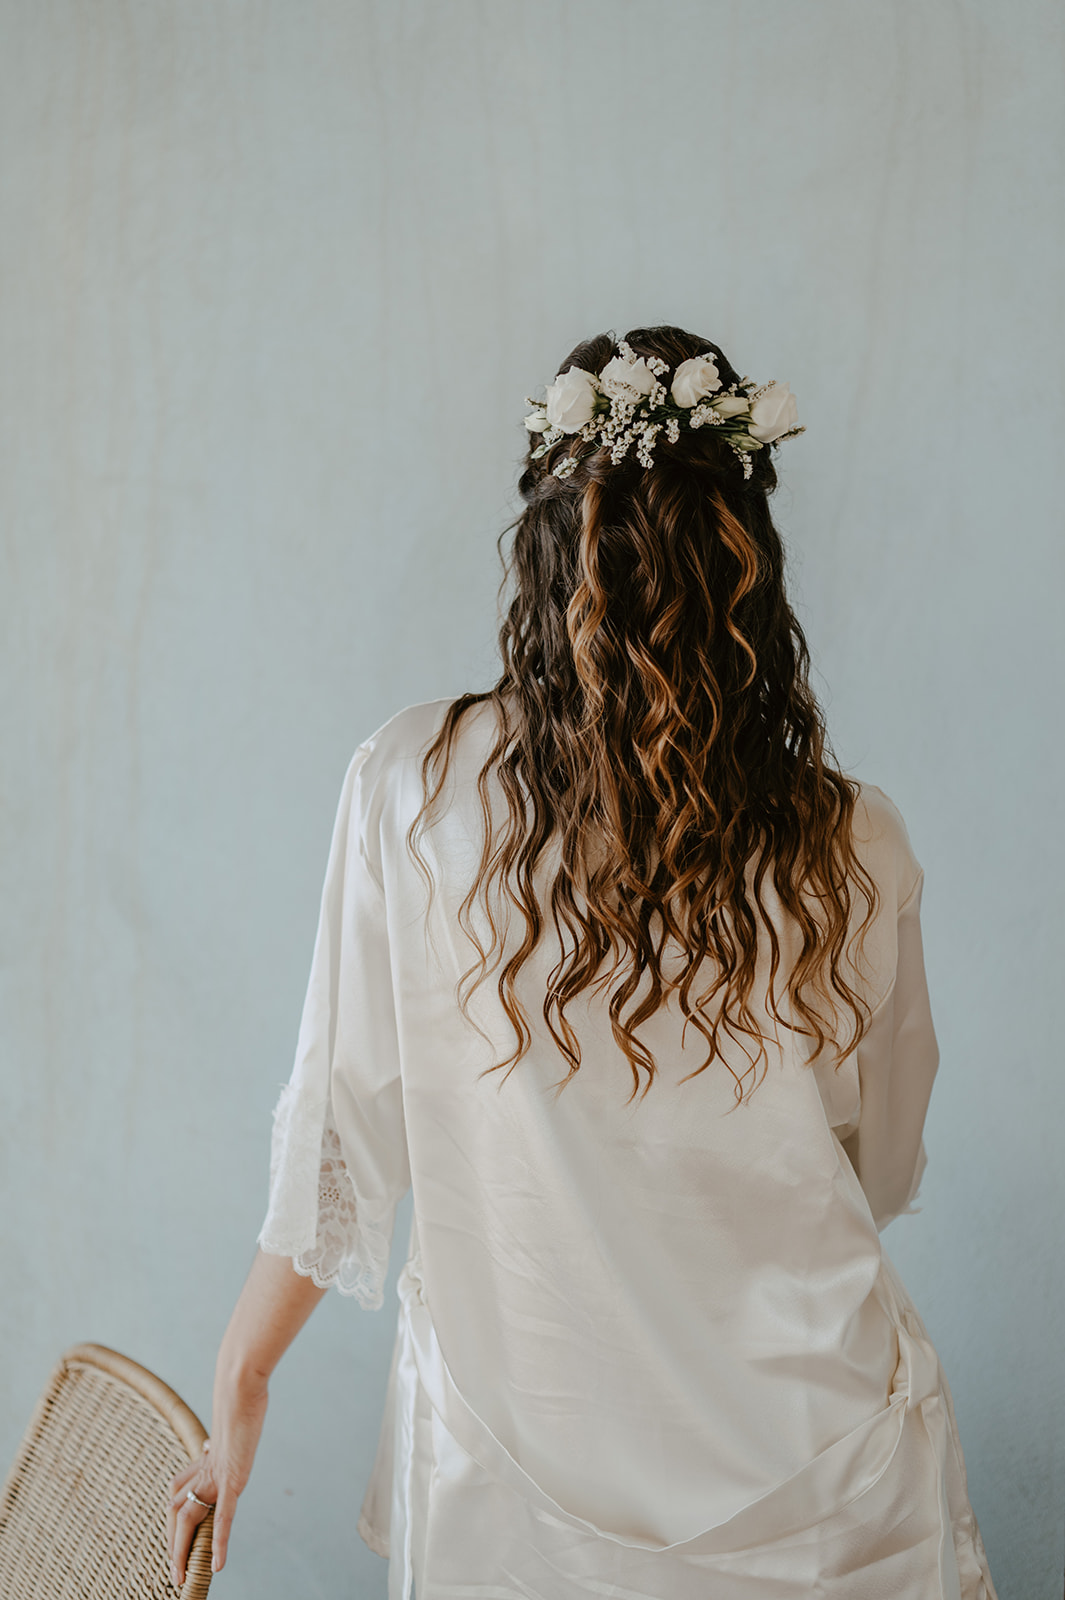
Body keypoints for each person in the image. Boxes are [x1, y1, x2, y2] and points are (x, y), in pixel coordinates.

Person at [167, 326, 998, 1599]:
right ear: (750, 572)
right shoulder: (856, 842)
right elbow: (877, 1166)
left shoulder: (412, 790)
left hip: (516, 1488)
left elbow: (343, 1128)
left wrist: (242, 1375)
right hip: (822, 1473)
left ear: (545, 556)